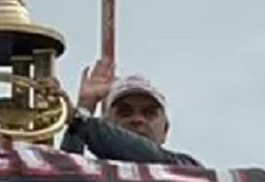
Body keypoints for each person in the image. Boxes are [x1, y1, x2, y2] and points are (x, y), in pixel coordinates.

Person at [52, 59, 198, 165]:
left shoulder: (187, 170)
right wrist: (85, 107)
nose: (137, 119)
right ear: (106, 124)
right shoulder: (94, 181)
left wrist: (79, 119)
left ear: (165, 130)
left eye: (149, 113)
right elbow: (63, 179)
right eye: (125, 112)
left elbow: (147, 154)